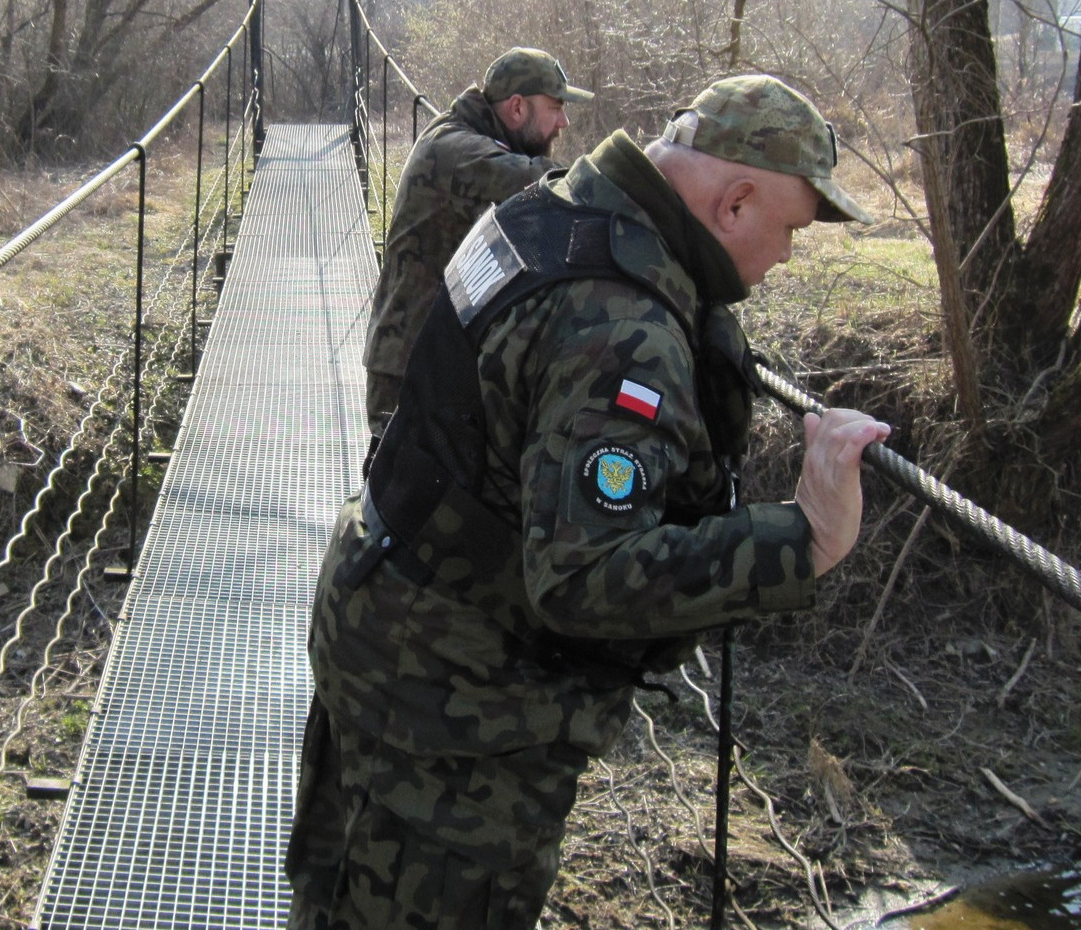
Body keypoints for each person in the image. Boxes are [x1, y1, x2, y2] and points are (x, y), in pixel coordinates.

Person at [287, 75, 888, 929]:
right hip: (454, 717)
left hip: (378, 616)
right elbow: (584, 577)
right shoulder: (621, 327)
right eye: (790, 230)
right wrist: (803, 541)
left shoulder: (555, 211)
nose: (787, 255)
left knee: (335, 906)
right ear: (735, 203)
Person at [364, 47, 592, 437]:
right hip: (409, 366)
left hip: (432, 359)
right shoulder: (455, 149)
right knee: (401, 494)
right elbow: (547, 182)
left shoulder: (469, 137)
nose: (564, 122)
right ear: (517, 107)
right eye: (555, 107)